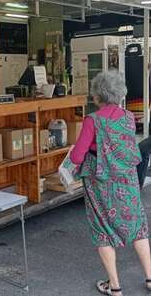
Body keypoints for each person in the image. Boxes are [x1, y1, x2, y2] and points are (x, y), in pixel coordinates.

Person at [69, 71, 151, 296]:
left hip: (101, 184)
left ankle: (115, 288)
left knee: (102, 230)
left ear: (98, 95)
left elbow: (77, 157)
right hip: (128, 181)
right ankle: (150, 279)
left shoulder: (92, 120)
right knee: (138, 227)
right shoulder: (127, 116)